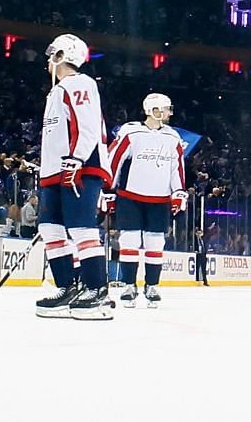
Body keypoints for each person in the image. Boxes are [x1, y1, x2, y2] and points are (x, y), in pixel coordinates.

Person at [34, 33, 112, 320]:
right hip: (55, 170)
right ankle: (67, 287)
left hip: (79, 166)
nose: (48, 59)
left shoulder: (80, 83)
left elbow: (88, 126)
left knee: (81, 229)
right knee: (51, 230)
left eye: (52, 53)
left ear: (62, 56)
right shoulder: (56, 91)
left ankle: (97, 290)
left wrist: (76, 159)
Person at [105, 92, 187, 307]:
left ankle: (151, 286)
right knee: (129, 240)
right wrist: (107, 189)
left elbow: (177, 167)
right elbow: (115, 161)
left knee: (155, 242)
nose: (170, 112)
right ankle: (129, 285)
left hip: (160, 199)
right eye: (166, 108)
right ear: (155, 110)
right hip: (130, 196)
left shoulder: (173, 137)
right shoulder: (131, 132)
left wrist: (178, 192)